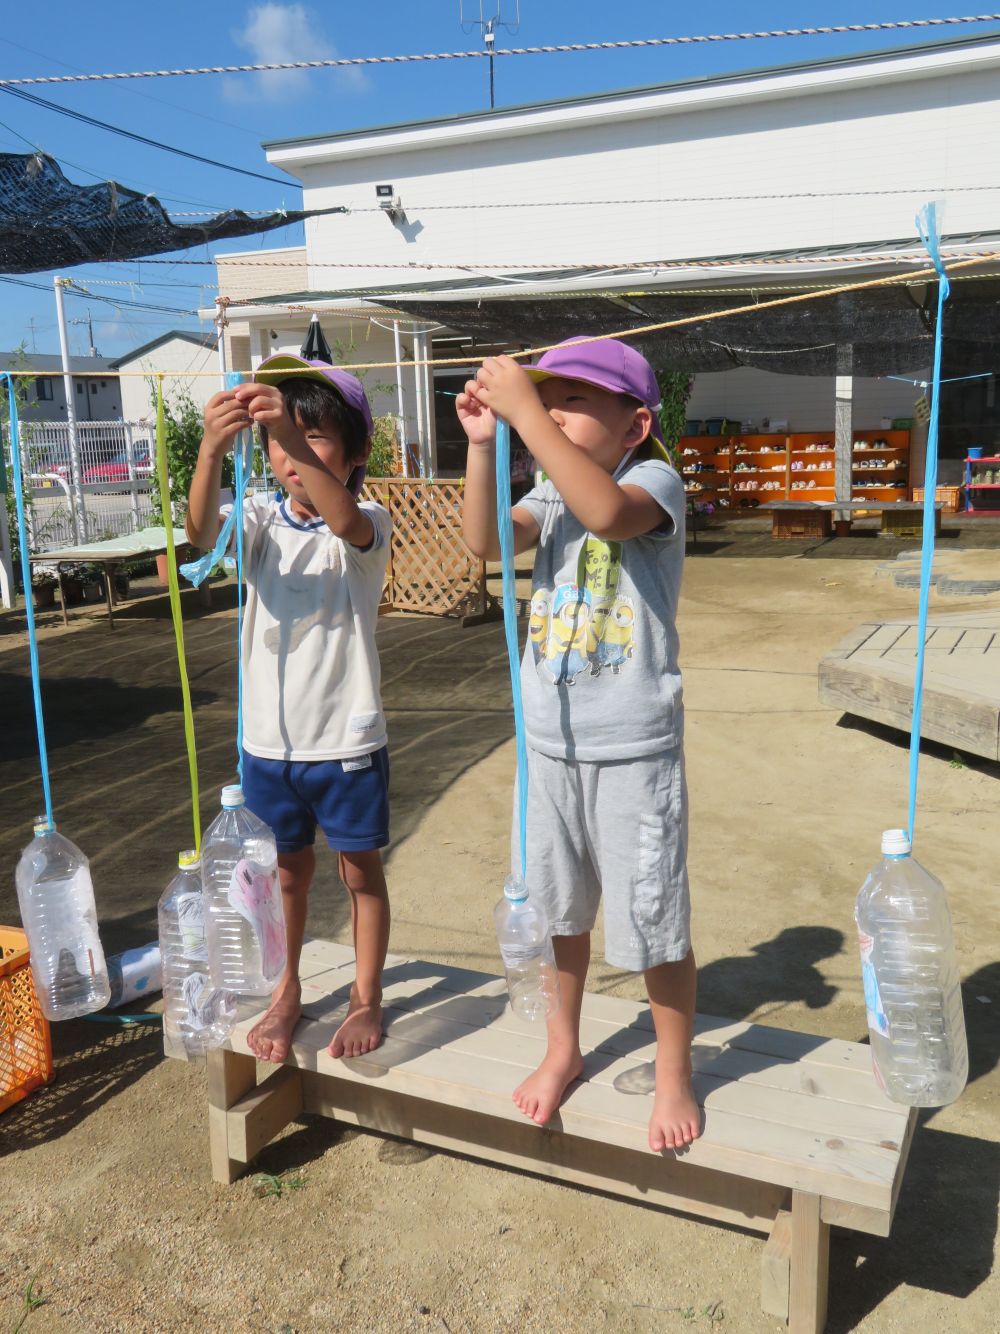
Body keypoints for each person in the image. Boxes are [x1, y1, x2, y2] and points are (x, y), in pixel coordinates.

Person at [458, 337, 700, 1153]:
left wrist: (524, 410)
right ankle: (563, 1047)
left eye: (573, 401)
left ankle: (673, 1071)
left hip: (633, 750)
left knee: (654, 922)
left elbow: (604, 512)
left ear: (634, 425)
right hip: (552, 749)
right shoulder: (547, 491)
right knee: (562, 914)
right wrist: (484, 444)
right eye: (548, 395)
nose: (553, 410)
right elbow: (486, 542)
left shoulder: (652, 483)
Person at [186, 355, 392, 1064]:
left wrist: (296, 447)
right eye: (276, 441)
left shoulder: (369, 522)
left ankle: (367, 997)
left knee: (360, 873)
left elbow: (342, 517)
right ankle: (288, 989)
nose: (289, 456)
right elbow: (200, 537)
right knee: (286, 875)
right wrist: (212, 447)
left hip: (346, 743)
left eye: (313, 439)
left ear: (357, 451)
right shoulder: (258, 519)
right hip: (268, 747)